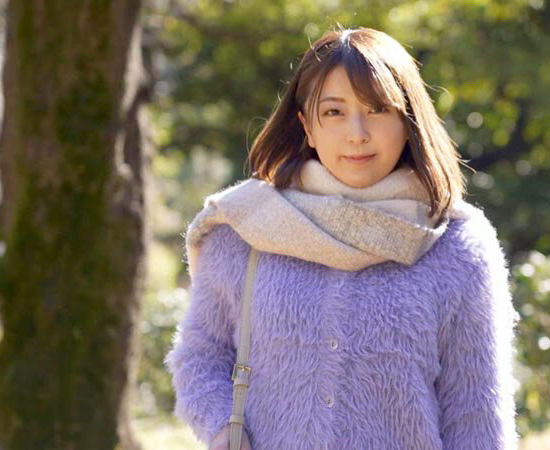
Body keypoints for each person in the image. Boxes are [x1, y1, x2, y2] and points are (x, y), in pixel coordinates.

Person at [165, 25, 520, 450]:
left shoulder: (458, 244)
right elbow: (200, 358)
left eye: (377, 109)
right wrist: (224, 431)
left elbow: (477, 412)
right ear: (306, 126)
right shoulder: (244, 229)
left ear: (407, 121)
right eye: (334, 112)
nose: (357, 133)